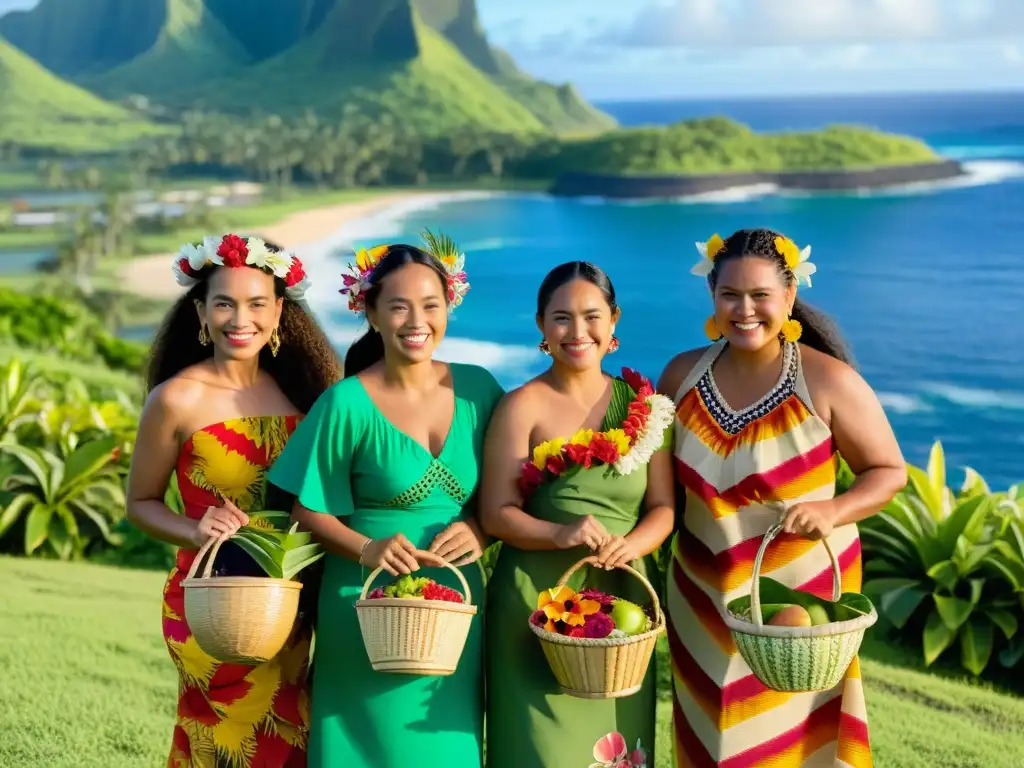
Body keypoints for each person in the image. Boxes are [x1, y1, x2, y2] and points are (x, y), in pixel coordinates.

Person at [658, 228, 907, 766]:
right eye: (730, 295)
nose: (744, 310)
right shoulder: (681, 376)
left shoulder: (829, 382)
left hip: (799, 608)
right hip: (700, 598)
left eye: (760, 296)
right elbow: (654, 485)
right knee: (707, 739)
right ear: (712, 297)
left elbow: (888, 472)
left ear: (789, 297)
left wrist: (834, 509)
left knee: (789, 746)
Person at [266, 232, 502, 768]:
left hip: (456, 599)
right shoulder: (345, 402)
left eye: (430, 305)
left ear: (450, 308)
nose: (416, 321)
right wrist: (368, 548)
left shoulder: (480, 390)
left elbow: (505, 491)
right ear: (371, 312)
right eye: (398, 306)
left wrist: (481, 529)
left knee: (446, 744)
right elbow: (308, 509)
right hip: (363, 598)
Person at [125, 233, 341, 767]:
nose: (239, 318)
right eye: (224, 303)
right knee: (223, 743)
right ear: (201, 311)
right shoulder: (176, 398)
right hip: (209, 605)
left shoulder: (305, 392)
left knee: (291, 739)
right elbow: (141, 502)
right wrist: (194, 530)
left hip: (290, 604)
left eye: (256, 304)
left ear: (279, 314)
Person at [480, 261, 676, 768]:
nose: (577, 331)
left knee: (617, 749)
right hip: (536, 604)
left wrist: (633, 545)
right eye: (561, 317)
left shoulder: (645, 406)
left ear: (614, 321)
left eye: (592, 316)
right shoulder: (521, 406)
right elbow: (497, 514)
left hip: (623, 606)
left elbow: (662, 508)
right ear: (541, 326)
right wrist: (559, 532)